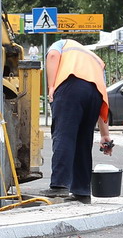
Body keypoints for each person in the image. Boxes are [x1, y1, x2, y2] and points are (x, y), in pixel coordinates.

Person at [42, 38, 113, 203]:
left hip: (70, 86)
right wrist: (105, 135)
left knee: (64, 135)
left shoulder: (62, 43)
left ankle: (59, 185)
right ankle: (82, 191)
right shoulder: (96, 60)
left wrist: (51, 86)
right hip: (95, 95)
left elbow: (52, 56)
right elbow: (104, 96)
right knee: (83, 141)